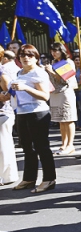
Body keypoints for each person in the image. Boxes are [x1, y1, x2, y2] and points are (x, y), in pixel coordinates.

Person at [10, 44, 56, 193]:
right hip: (22, 112)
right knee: (27, 147)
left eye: (30, 55)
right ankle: (29, 178)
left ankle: (49, 179)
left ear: (36, 58)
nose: (25, 58)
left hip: (37, 112)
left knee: (41, 146)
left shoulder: (39, 73)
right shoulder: (19, 72)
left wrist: (26, 88)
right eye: (22, 55)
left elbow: (45, 96)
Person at [46, 42, 78, 155]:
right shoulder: (54, 62)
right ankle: (63, 144)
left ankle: (70, 144)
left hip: (65, 93)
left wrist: (51, 71)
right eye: (52, 51)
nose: (53, 53)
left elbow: (65, 79)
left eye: (56, 50)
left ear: (62, 51)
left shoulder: (68, 62)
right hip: (55, 93)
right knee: (61, 120)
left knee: (68, 119)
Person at [0, 46, 19, 186]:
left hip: (3, 112)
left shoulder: (3, 71)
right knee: (5, 145)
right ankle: (9, 175)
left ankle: (6, 176)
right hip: (6, 112)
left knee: (3, 146)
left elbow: (7, 92)